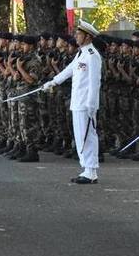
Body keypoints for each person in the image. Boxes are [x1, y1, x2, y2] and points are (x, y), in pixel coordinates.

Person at [43, 21, 103, 184]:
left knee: (87, 136)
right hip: (77, 101)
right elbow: (69, 70)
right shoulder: (81, 53)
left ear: (88, 36)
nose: (76, 36)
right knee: (80, 135)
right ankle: (86, 169)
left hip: (86, 103)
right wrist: (53, 82)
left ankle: (91, 171)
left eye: (79, 34)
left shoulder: (92, 55)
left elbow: (94, 82)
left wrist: (91, 104)